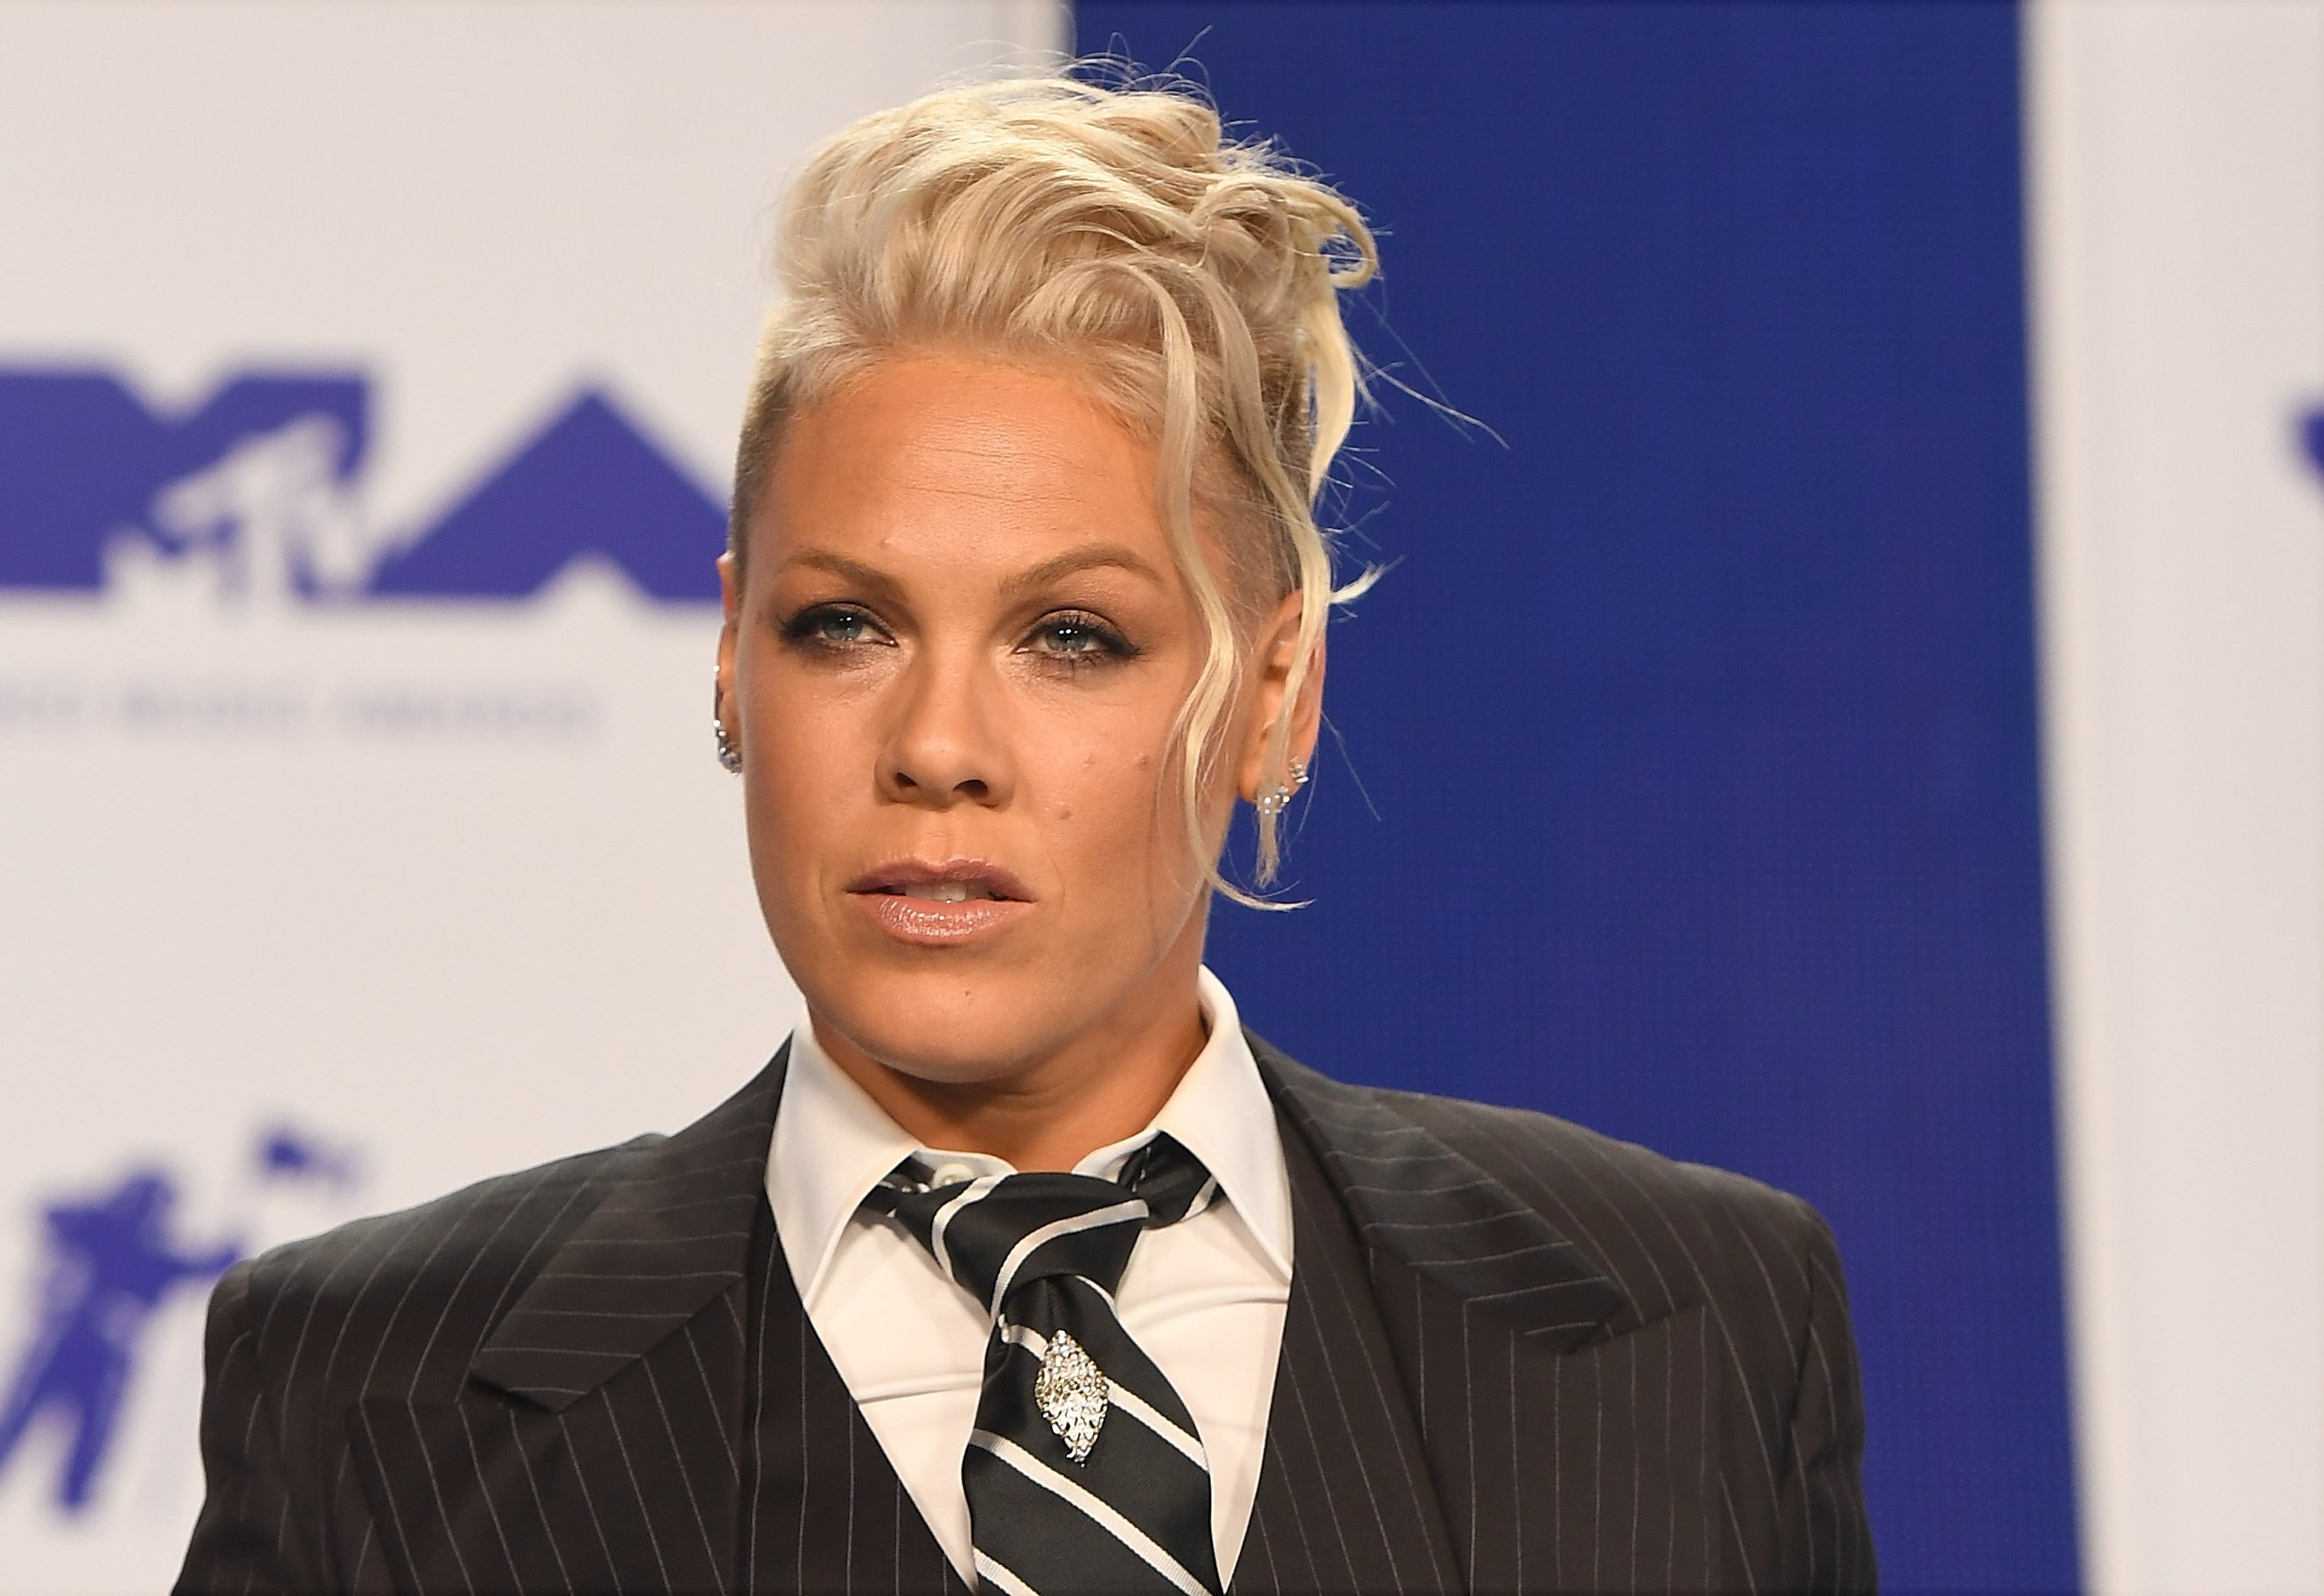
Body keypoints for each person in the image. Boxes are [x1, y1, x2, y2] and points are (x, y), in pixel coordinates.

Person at [177, 73, 1874, 1595]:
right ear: (729, 660)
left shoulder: (1692, 1321)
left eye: (1073, 636)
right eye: (844, 624)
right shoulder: (373, 1385)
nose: (935, 747)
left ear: (1274, 689)